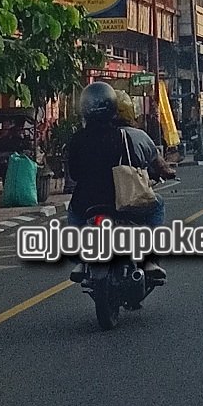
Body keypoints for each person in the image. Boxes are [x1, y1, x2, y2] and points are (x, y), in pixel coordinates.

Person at [67, 81, 176, 282]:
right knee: (156, 205)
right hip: (122, 197)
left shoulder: (77, 139)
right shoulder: (123, 136)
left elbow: (73, 174)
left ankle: (82, 260)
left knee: (73, 215)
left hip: (86, 201)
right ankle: (150, 258)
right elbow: (133, 164)